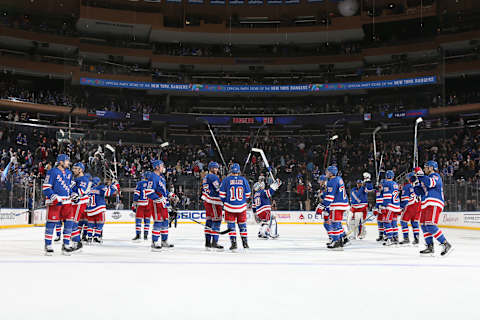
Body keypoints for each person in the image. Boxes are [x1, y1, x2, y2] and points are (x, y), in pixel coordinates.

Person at [412, 161, 453, 256]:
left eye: (426, 167)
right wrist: (415, 183)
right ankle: (430, 246)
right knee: (423, 225)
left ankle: (445, 244)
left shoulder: (435, 176)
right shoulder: (425, 179)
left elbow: (430, 183)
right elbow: (419, 192)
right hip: (426, 203)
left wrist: (420, 175)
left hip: (434, 202)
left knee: (430, 225)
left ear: (431, 168)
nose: (425, 169)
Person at [42, 154, 74, 255]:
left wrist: (73, 194)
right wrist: (53, 197)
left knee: (69, 222)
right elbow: (46, 187)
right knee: (51, 222)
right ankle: (48, 245)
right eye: (67, 161)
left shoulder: (69, 173)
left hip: (67, 202)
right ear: (61, 162)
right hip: (55, 202)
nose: (68, 163)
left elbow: (69, 188)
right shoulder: (52, 172)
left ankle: (66, 245)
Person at [145, 160, 178, 251]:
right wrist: (158, 199)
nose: (163, 167)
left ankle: (164, 241)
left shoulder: (161, 178)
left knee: (165, 221)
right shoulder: (152, 176)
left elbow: (164, 191)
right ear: (157, 167)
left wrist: (171, 195)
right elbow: (149, 192)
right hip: (156, 202)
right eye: (162, 165)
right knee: (158, 221)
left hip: (162, 202)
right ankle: (154, 241)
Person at [316, 166, 349, 250]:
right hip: (343, 203)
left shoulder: (332, 181)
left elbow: (330, 197)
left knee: (334, 223)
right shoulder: (339, 178)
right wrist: (323, 194)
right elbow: (333, 192)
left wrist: (321, 206)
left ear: (331, 173)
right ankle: (342, 239)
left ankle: (337, 241)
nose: (326, 173)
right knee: (336, 223)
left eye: (327, 172)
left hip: (337, 204)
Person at [219, 163, 251, 251]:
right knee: (242, 225)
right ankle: (245, 243)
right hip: (241, 207)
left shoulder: (226, 180)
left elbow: (221, 194)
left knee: (231, 226)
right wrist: (242, 201)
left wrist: (225, 202)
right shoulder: (244, 180)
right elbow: (248, 194)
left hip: (229, 207)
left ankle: (234, 244)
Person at [85, 177, 119, 244]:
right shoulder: (100, 187)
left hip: (90, 210)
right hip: (99, 208)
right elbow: (108, 193)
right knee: (100, 223)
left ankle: (89, 238)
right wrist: (114, 185)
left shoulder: (88, 189)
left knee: (91, 224)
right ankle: (96, 237)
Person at [201, 162, 223, 250]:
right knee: (217, 221)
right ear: (211, 168)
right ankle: (214, 242)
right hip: (214, 201)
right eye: (215, 168)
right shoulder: (213, 177)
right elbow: (218, 189)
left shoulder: (206, 177)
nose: (217, 170)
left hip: (207, 200)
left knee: (209, 221)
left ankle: (207, 242)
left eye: (217, 168)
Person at [70, 162, 90, 251]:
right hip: (75, 203)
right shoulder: (75, 178)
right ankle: (76, 242)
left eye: (75, 168)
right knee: (71, 222)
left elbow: (81, 192)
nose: (73, 170)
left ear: (80, 170)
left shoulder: (84, 179)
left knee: (73, 222)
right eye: (73, 168)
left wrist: (74, 190)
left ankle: (77, 243)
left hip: (80, 203)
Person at [349, 173, 373, 239]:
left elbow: (370, 189)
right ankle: (353, 234)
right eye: (358, 183)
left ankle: (361, 234)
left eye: (361, 183)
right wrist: (363, 187)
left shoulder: (364, 189)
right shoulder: (353, 190)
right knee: (352, 222)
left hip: (363, 207)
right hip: (354, 208)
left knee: (362, 222)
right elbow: (357, 195)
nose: (359, 184)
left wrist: (368, 181)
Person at [399, 173, 421, 245]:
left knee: (403, 221)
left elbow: (405, 199)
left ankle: (406, 238)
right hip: (418, 205)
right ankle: (416, 238)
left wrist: (401, 207)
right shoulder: (418, 185)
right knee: (415, 223)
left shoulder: (407, 186)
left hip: (410, 206)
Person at [381, 170, 401, 246]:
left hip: (390, 206)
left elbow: (387, 196)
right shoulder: (395, 183)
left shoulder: (387, 183)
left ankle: (390, 238)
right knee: (394, 222)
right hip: (396, 206)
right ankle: (395, 237)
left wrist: (384, 205)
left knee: (387, 222)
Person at [132, 171, 151, 241]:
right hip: (149, 204)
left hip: (141, 204)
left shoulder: (140, 183)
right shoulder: (152, 184)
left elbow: (136, 194)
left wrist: (134, 203)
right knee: (147, 221)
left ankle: (138, 235)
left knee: (138, 220)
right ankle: (146, 235)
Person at [315, 175, 332, 245]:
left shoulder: (328, 186)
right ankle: (332, 237)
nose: (319, 182)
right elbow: (323, 197)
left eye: (320, 180)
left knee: (331, 223)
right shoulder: (324, 187)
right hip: (327, 207)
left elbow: (330, 197)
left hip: (331, 207)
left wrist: (321, 206)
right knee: (326, 222)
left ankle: (335, 237)